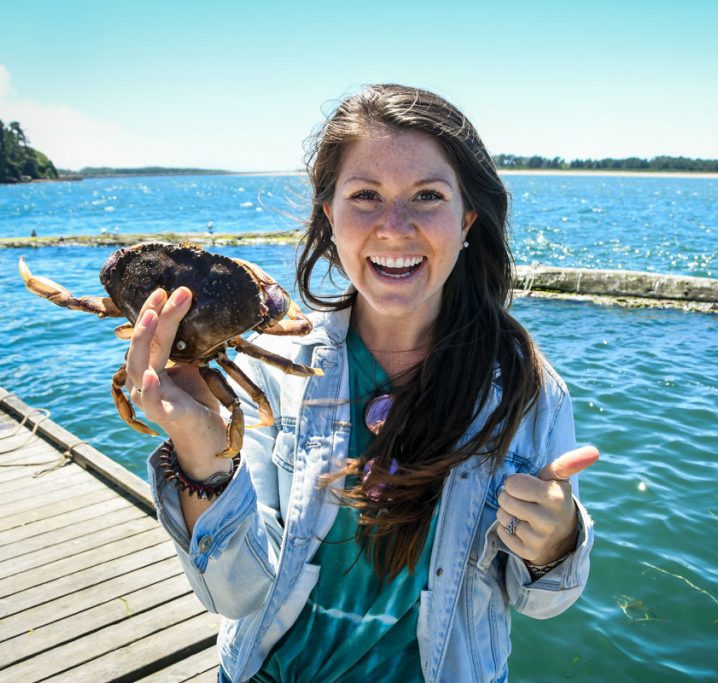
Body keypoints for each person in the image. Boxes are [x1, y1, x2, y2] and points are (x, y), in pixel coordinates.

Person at [127, 84, 597, 682]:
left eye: (428, 196)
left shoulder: (528, 391)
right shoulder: (272, 365)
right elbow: (236, 596)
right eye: (365, 196)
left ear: (467, 218)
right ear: (330, 215)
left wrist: (557, 540)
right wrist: (200, 454)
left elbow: (545, 600)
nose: (394, 227)